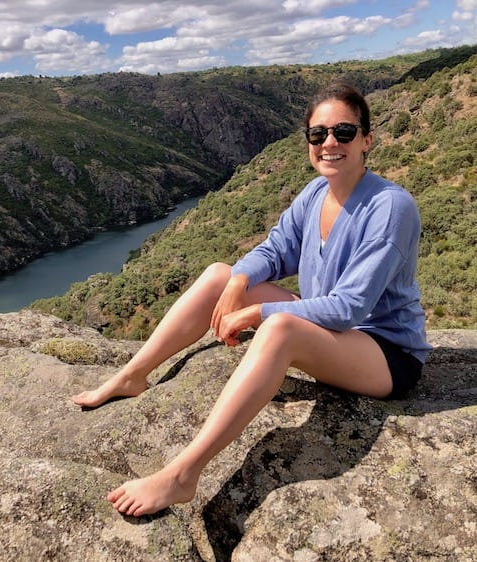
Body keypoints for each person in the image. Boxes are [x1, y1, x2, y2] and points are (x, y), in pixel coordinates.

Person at [72, 82, 431, 517]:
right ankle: (132, 375)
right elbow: (275, 250)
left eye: (344, 132)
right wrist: (239, 281)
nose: (330, 143)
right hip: (330, 334)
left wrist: (259, 310)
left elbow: (349, 308)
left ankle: (184, 474)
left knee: (278, 327)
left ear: (367, 139)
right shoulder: (315, 194)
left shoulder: (390, 206)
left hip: (384, 352)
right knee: (218, 276)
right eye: (318, 135)